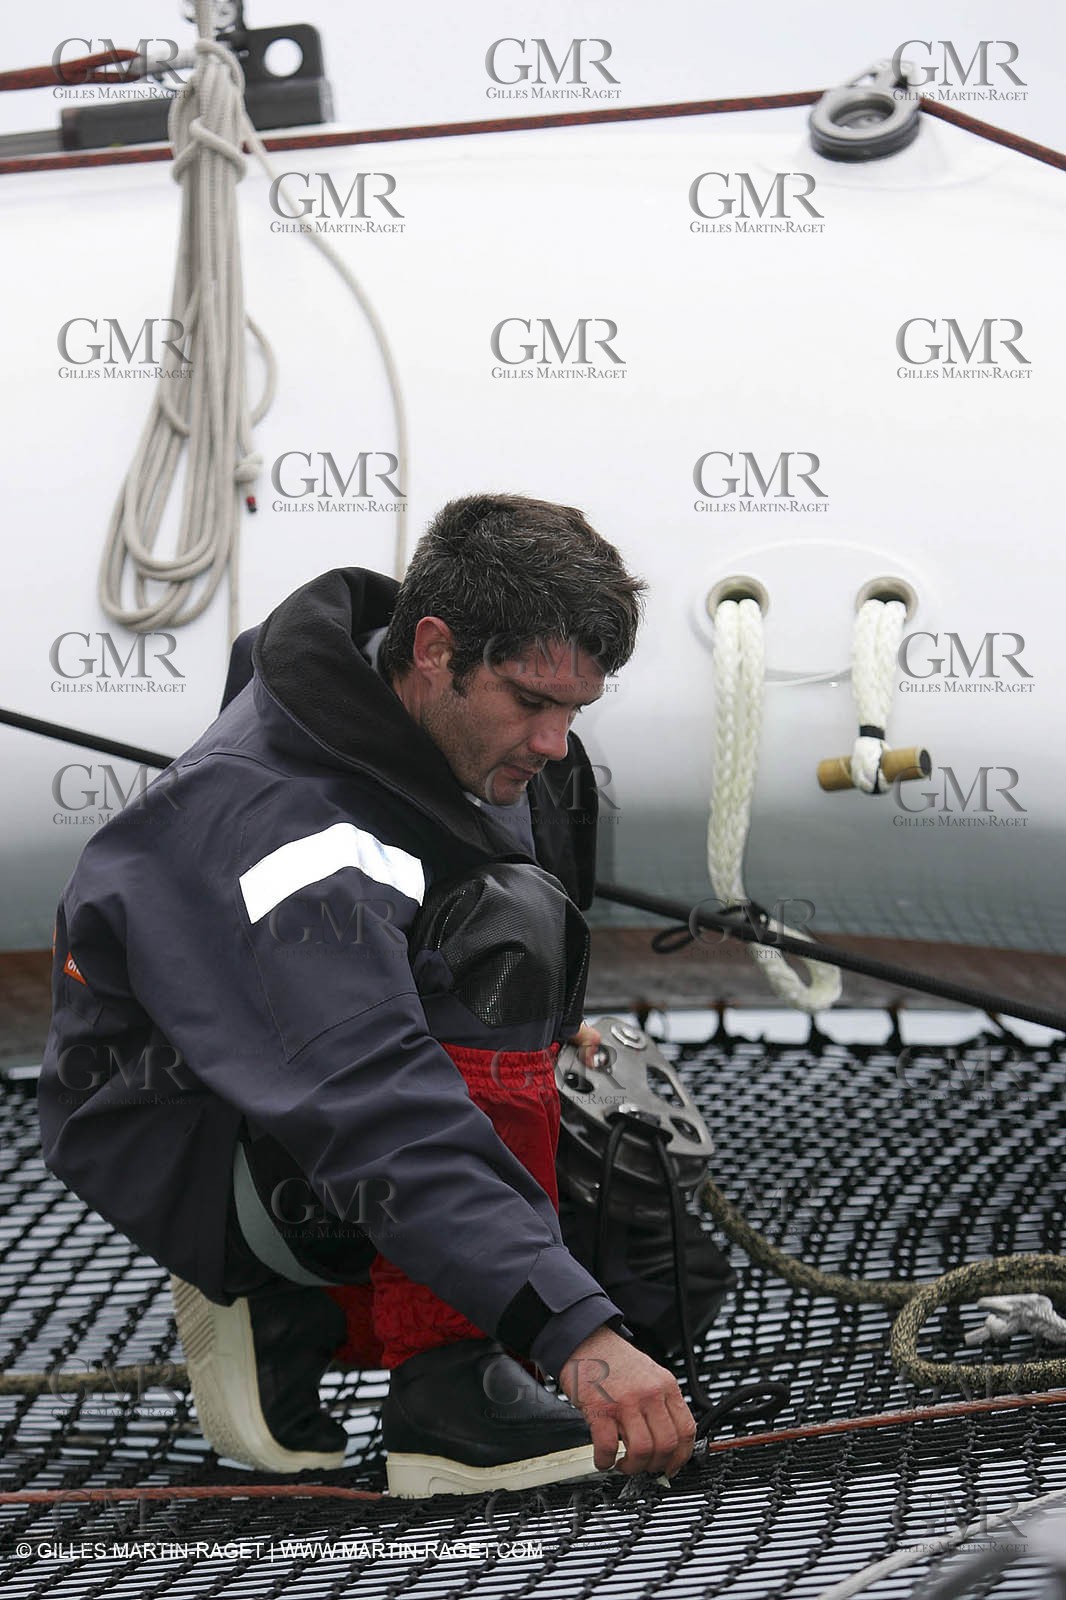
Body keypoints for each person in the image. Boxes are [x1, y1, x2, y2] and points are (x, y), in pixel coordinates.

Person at [38, 492, 697, 1497]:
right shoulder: (288, 826)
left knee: (643, 1258)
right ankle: (446, 1386)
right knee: (504, 933)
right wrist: (571, 1334)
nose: (556, 739)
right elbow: (374, 1103)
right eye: (530, 701)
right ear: (432, 647)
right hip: (208, 1133)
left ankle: (301, 1316)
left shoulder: (475, 738)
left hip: (309, 1091)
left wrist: (597, 1313)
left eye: (577, 709)